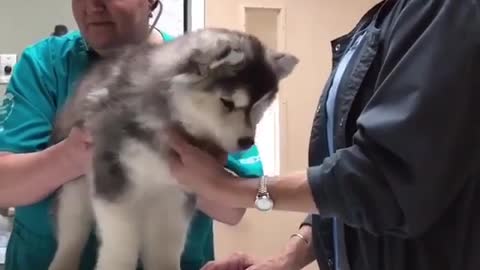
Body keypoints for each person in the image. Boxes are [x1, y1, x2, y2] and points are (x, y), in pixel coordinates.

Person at [165, 0, 480, 270]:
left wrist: (225, 186)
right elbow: (349, 198)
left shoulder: (445, 10)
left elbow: (381, 181)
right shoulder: (379, 22)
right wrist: (288, 257)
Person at [0, 0, 263, 269]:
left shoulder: (202, 71)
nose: (93, 5)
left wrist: (160, 159)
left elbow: (233, 208)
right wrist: (75, 153)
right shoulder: (45, 64)